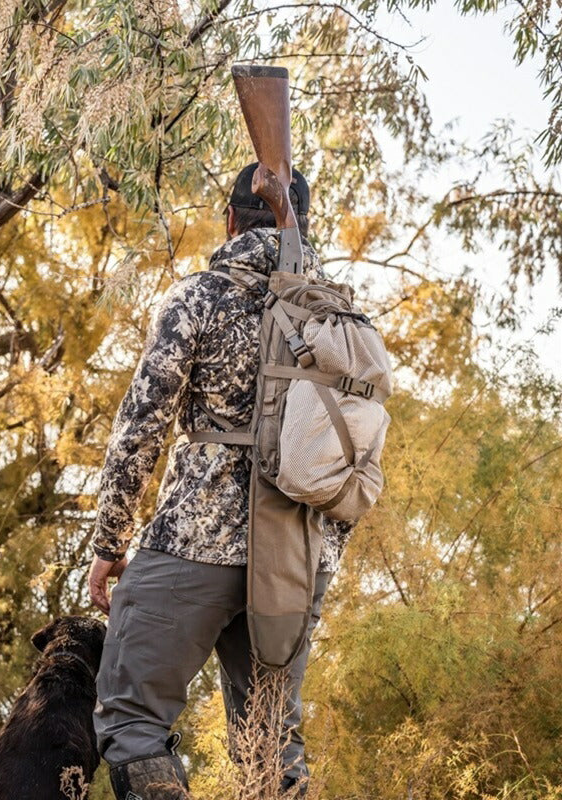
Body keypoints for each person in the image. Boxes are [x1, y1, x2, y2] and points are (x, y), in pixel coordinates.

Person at [88, 163, 354, 800]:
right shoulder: (340, 315)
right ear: (304, 225)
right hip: (295, 553)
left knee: (132, 718)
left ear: (230, 219)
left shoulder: (200, 297)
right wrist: (323, 556)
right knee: (271, 743)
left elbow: (139, 431)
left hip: (194, 544)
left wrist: (108, 544)